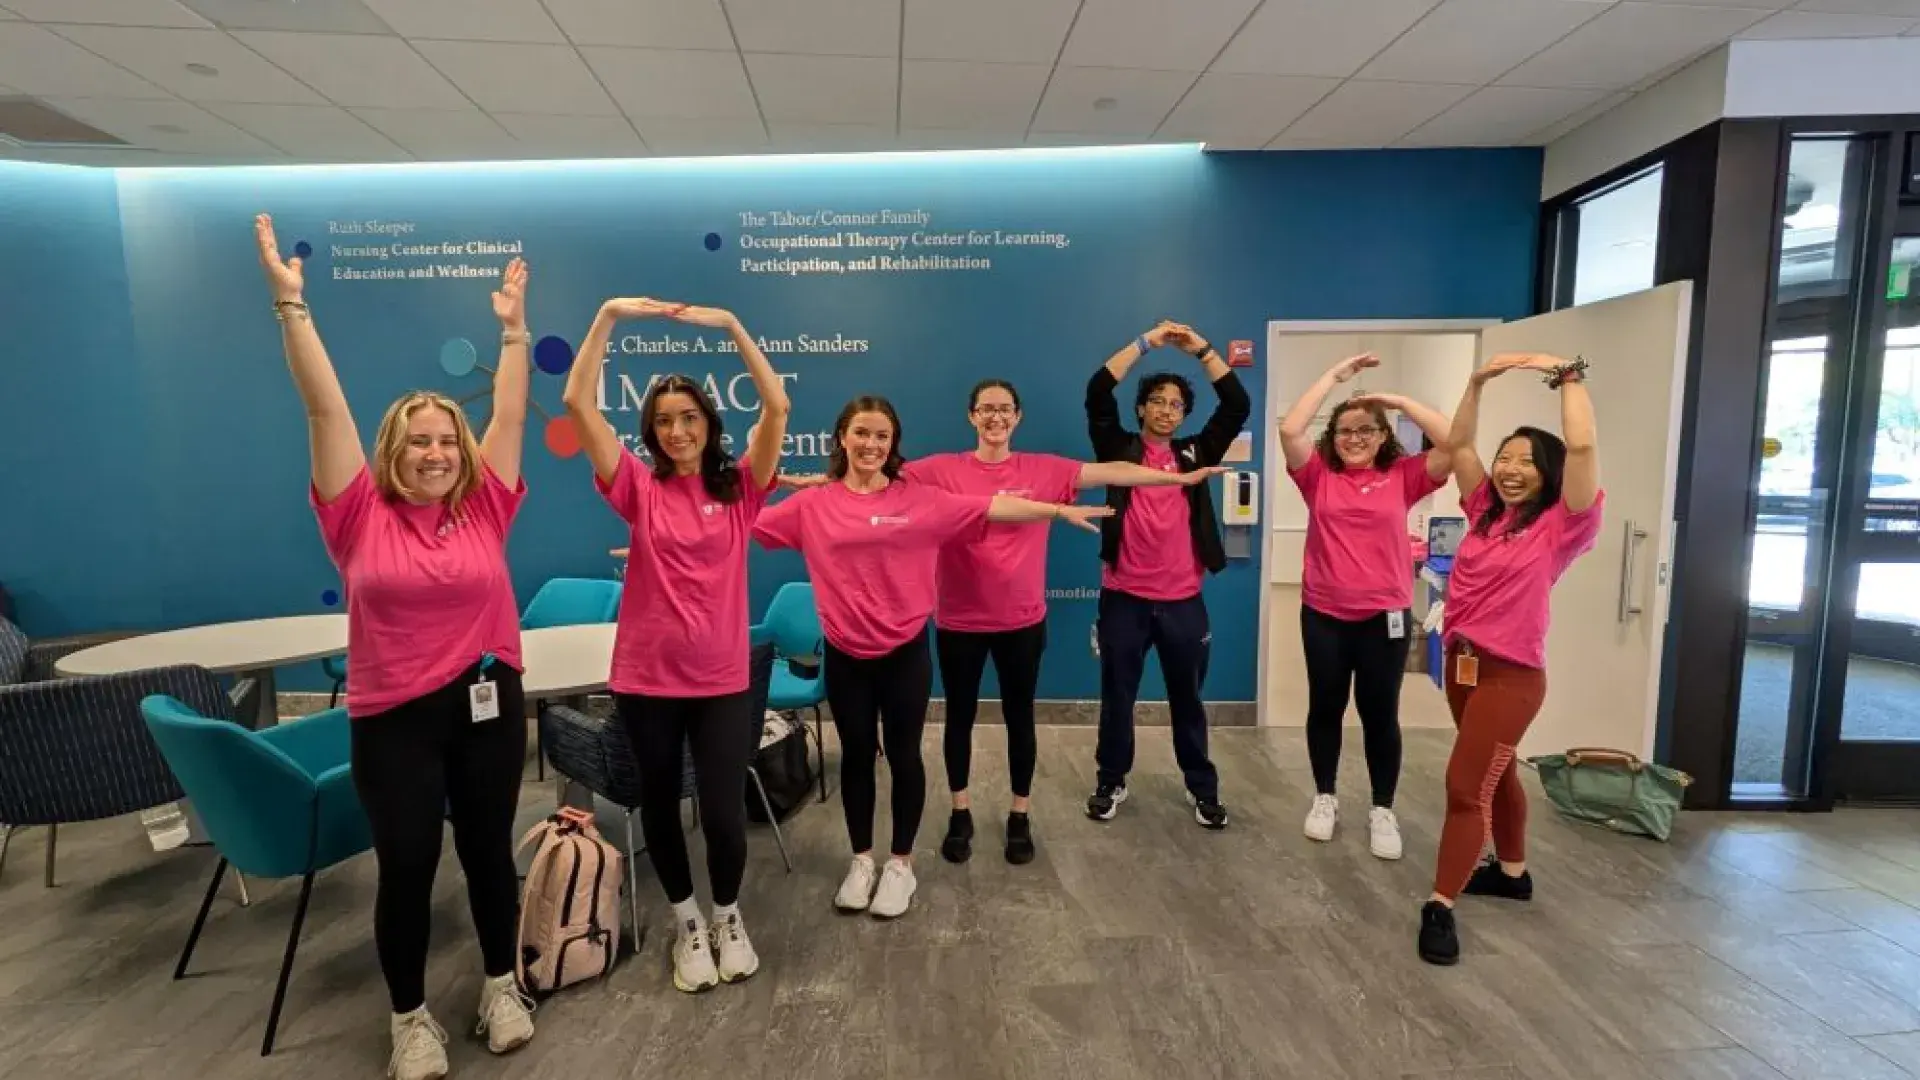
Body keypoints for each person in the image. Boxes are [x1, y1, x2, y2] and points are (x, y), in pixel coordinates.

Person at [256, 214, 536, 1080]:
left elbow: (512, 412)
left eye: (448, 440)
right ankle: (410, 1020)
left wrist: (514, 332)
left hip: (487, 704)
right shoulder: (355, 513)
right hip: (393, 719)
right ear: (393, 449)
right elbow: (324, 406)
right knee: (408, 865)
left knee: (487, 853)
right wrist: (291, 306)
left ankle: (502, 987)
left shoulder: (485, 506)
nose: (437, 453)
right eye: (420, 440)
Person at [751, 396, 1112, 919]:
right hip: (846, 655)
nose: (871, 444)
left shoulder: (920, 498)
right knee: (856, 757)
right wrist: (678, 538)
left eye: (882, 436)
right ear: (842, 438)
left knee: (904, 757)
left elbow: (993, 506)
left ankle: (900, 864)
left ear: (893, 444)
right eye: (861, 433)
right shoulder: (814, 505)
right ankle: (861, 861)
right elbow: (742, 525)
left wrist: (1055, 510)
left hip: (905, 653)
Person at [560, 296, 789, 995]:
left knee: (722, 813)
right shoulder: (637, 487)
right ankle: (687, 920)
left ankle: (726, 916)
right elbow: (576, 402)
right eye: (663, 421)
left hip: (720, 679)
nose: (678, 430)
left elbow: (776, 406)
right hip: (646, 679)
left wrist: (734, 325)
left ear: (709, 423)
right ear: (651, 432)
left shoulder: (742, 487)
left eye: (689, 417)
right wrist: (605, 316)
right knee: (659, 802)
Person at [900, 379, 1223, 866]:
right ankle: (960, 811)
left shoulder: (1044, 469)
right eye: (986, 409)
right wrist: (816, 482)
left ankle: (1019, 814)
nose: (995, 417)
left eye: (1005, 409)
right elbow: (877, 476)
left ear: (1018, 417)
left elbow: (1115, 470)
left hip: (1022, 620)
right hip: (959, 621)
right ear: (971, 416)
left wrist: (1178, 479)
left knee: (1020, 719)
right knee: (959, 719)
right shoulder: (941, 469)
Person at [1418, 351, 1602, 966]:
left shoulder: (1563, 525)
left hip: (1512, 677)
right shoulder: (1483, 512)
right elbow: (1459, 443)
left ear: (1548, 474)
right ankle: (1512, 873)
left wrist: (1567, 376)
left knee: (1464, 786)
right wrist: (1475, 383)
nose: (1511, 469)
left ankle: (1440, 904)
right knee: (1498, 774)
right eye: (1506, 457)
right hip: (1463, 665)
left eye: (1527, 462)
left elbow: (1582, 446)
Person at [1278, 353, 1451, 860]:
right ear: (1332, 438)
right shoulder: (1316, 476)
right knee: (1325, 707)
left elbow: (1453, 443)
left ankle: (1382, 808)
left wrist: (1395, 400)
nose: (1354, 438)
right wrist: (1335, 378)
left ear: (1382, 436)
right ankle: (1325, 797)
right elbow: (1290, 429)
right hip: (1324, 614)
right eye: (1345, 431)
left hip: (1385, 617)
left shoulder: (1405, 475)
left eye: (1366, 430)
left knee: (1380, 713)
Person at [1083, 320, 1251, 829]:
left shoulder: (1195, 453)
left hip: (1183, 601)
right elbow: (1097, 391)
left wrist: (1199, 348)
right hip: (1123, 598)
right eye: (1156, 400)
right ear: (1141, 408)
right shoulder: (1119, 450)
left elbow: (1237, 404)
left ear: (1183, 414)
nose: (1165, 409)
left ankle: (1202, 788)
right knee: (1117, 699)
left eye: (1176, 404)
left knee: (1188, 700)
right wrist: (1146, 343)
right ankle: (1111, 780)